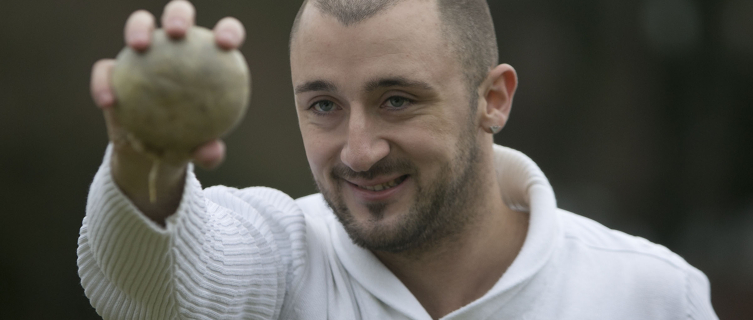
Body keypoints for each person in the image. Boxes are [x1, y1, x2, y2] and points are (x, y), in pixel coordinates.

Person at [79, 0, 718, 319]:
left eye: (397, 100)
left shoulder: (652, 295)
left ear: (492, 100)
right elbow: (157, 289)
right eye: (324, 105)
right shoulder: (284, 259)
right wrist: (147, 159)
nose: (359, 151)